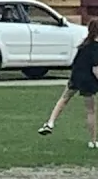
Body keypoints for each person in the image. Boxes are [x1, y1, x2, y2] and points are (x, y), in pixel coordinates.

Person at [38, 19, 98, 147]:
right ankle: (93, 141)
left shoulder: (84, 44)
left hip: (76, 77)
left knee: (64, 99)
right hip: (88, 81)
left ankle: (50, 123)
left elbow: (76, 62)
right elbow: (95, 69)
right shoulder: (96, 48)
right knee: (91, 111)